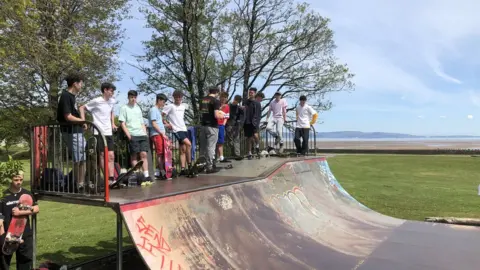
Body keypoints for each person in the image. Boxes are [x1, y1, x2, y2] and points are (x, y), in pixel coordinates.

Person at [0, 170, 40, 270]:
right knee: (4, 263)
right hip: (7, 235)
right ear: (10, 180)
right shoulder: (3, 196)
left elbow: (36, 208)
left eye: (21, 179)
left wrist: (20, 213)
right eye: (16, 179)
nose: (19, 182)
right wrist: (2, 237)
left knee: (25, 262)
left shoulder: (26, 194)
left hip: (25, 234)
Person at [79, 82, 117, 185]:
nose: (112, 93)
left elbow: (112, 111)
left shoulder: (112, 101)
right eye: (111, 91)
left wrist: (113, 123)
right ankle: (106, 179)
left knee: (111, 155)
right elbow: (82, 108)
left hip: (108, 132)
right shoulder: (97, 101)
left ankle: (111, 178)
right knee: (101, 155)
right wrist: (84, 122)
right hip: (98, 132)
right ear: (105, 90)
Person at [56, 72, 87, 192]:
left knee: (82, 158)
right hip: (72, 132)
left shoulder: (71, 97)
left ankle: (80, 183)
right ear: (75, 84)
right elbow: (68, 116)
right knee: (79, 159)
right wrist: (82, 121)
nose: (81, 86)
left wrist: (82, 121)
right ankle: (78, 185)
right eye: (81, 83)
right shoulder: (65, 96)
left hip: (76, 131)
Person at [118, 90, 152, 182]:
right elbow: (122, 123)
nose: (133, 99)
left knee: (144, 154)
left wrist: (145, 134)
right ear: (128, 97)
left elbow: (142, 123)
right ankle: (138, 175)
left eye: (135, 97)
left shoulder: (138, 108)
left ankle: (146, 175)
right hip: (132, 134)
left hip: (141, 134)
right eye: (131, 97)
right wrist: (129, 135)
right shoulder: (124, 108)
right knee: (134, 156)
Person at [162, 90, 192, 175]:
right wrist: (167, 124)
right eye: (177, 97)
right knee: (189, 144)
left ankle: (182, 169)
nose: (178, 98)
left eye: (180, 97)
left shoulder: (183, 106)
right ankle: (190, 165)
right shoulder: (170, 106)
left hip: (184, 128)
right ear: (174, 97)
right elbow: (161, 116)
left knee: (183, 149)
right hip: (176, 129)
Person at [199, 87, 224, 173]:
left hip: (203, 126)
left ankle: (201, 165)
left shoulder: (202, 100)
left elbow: (201, 112)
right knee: (211, 147)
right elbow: (216, 115)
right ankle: (209, 167)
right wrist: (223, 115)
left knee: (203, 147)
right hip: (212, 126)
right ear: (216, 92)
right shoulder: (215, 101)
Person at [148, 93, 169, 180]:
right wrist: (162, 133)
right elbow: (153, 123)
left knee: (164, 153)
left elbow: (159, 123)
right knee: (160, 153)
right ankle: (161, 171)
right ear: (159, 100)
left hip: (160, 133)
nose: (163, 104)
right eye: (163, 102)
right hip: (157, 134)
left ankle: (162, 170)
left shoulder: (158, 111)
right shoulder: (153, 110)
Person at [243, 88, 262, 159]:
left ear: (255, 94)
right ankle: (249, 153)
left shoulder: (257, 103)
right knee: (249, 138)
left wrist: (257, 122)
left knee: (255, 135)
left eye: (252, 93)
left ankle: (257, 145)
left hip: (254, 122)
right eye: (249, 92)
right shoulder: (246, 102)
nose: (250, 94)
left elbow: (259, 114)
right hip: (247, 122)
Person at [226, 95, 244, 160]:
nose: (237, 102)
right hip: (229, 124)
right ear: (234, 99)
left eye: (238, 101)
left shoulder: (239, 108)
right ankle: (232, 153)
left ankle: (237, 154)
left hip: (236, 125)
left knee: (236, 139)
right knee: (230, 140)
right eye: (236, 100)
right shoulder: (228, 106)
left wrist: (240, 123)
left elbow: (241, 116)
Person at [216, 91, 230, 162]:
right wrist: (221, 107)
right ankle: (216, 156)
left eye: (225, 97)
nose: (223, 99)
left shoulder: (227, 106)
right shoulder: (217, 104)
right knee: (215, 141)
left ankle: (221, 156)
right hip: (215, 125)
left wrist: (223, 125)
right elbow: (216, 112)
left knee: (221, 141)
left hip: (221, 125)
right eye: (222, 97)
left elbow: (226, 117)